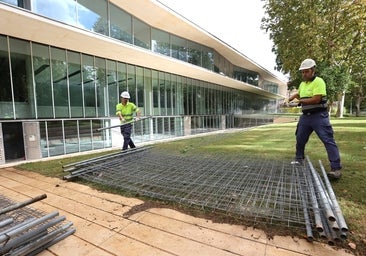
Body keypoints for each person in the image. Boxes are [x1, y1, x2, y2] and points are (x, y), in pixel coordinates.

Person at [285, 58, 342, 179]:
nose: (304, 74)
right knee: (300, 138)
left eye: (306, 71)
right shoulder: (303, 84)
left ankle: (336, 169)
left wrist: (299, 102)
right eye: (302, 72)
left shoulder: (319, 82)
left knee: (328, 140)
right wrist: (289, 99)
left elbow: (316, 99)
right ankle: (299, 159)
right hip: (306, 117)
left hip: (319, 117)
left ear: (313, 70)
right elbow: (299, 93)